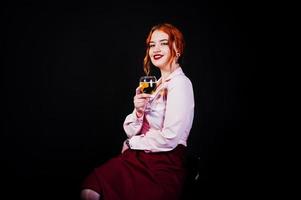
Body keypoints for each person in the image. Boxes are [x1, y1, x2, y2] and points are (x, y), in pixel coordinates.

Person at [80, 23, 195, 200]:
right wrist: (138, 110)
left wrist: (133, 143)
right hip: (138, 156)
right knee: (90, 189)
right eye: (151, 44)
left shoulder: (180, 84)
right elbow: (131, 130)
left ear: (177, 48)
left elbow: (170, 137)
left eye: (163, 43)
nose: (155, 49)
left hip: (164, 163)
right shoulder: (154, 84)